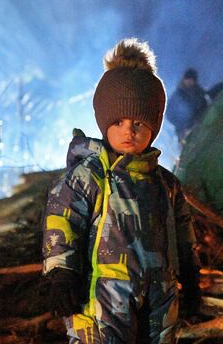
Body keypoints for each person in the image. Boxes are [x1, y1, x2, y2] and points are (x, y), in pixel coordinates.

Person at [42, 38, 201, 343]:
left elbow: (183, 233)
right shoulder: (89, 176)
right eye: (119, 121)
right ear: (104, 124)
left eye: (139, 122)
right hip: (102, 297)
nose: (129, 131)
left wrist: (192, 279)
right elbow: (62, 221)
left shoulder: (166, 184)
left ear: (153, 126)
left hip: (159, 298)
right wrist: (62, 275)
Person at [166, 68, 209, 141]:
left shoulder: (199, 91)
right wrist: (183, 126)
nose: (189, 82)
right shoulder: (178, 95)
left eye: (192, 80)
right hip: (184, 131)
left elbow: (205, 103)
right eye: (188, 79)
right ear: (184, 79)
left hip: (200, 123)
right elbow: (170, 114)